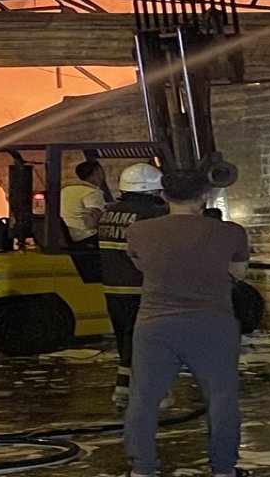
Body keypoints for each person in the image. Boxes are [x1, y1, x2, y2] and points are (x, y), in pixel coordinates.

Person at [123, 170, 251, 477]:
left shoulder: (139, 231)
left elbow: (142, 266)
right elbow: (239, 273)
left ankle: (142, 469)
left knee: (143, 400)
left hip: (155, 324)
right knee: (221, 398)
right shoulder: (231, 232)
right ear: (205, 196)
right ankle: (223, 469)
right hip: (213, 323)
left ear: (164, 195)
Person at [96, 163, 167, 408]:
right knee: (144, 342)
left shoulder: (108, 213)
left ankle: (125, 390)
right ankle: (144, 393)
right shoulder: (155, 214)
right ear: (154, 190)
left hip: (113, 287)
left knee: (125, 341)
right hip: (142, 287)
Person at [60, 161, 107, 248]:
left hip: (66, 235)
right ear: (96, 173)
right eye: (102, 172)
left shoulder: (65, 190)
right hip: (84, 236)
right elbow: (95, 217)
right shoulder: (91, 192)